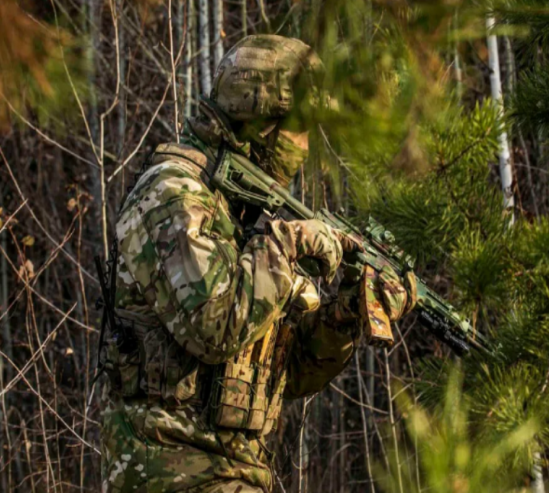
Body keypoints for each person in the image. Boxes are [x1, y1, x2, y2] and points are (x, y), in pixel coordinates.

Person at [100, 34, 417, 493]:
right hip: (171, 470)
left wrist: (348, 313)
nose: (304, 147)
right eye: (299, 130)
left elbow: (288, 372)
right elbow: (215, 328)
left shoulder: (247, 211)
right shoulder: (172, 195)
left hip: (239, 474)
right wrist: (287, 244)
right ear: (261, 124)